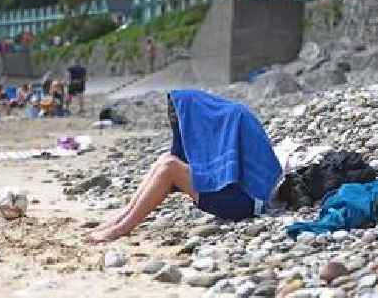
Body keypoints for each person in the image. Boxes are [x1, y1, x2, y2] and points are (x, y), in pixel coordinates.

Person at [87, 90, 282, 243]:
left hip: (249, 202)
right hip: (233, 195)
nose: (175, 120)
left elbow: (263, 174)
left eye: (176, 115)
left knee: (170, 166)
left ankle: (122, 228)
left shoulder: (235, 117)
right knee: (167, 159)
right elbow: (185, 156)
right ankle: (122, 217)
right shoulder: (211, 119)